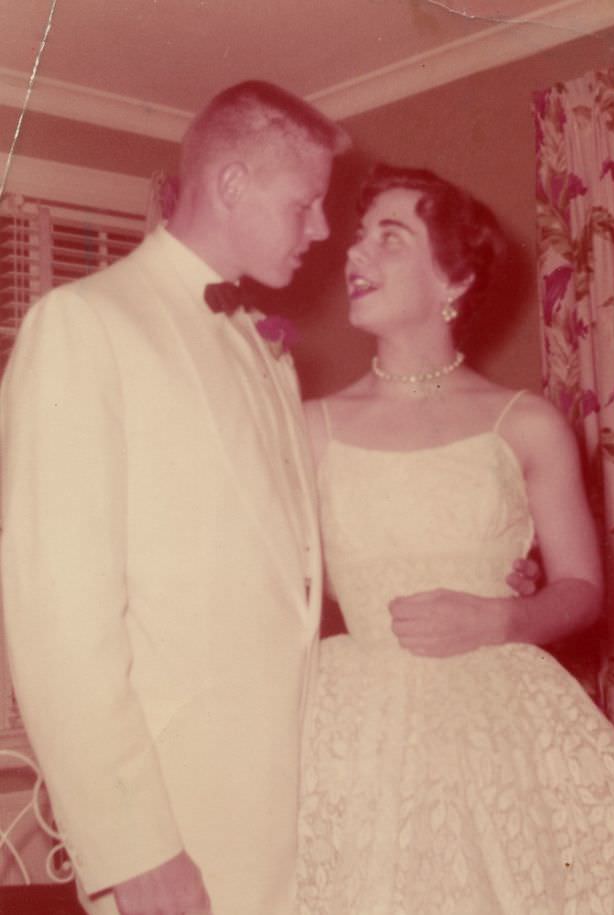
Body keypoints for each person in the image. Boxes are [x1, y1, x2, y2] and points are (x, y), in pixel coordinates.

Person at [0, 81, 349, 915]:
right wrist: (134, 847)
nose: (323, 229)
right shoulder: (83, 324)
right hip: (176, 837)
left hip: (295, 823)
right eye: (305, 204)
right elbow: (58, 621)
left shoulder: (269, 353)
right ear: (230, 185)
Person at [297, 164, 614, 914]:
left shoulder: (525, 421)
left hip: (499, 722)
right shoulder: (308, 427)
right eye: (358, 239)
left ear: (453, 280)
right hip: (354, 726)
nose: (355, 256)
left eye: (390, 239)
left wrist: (501, 618)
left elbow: (583, 589)